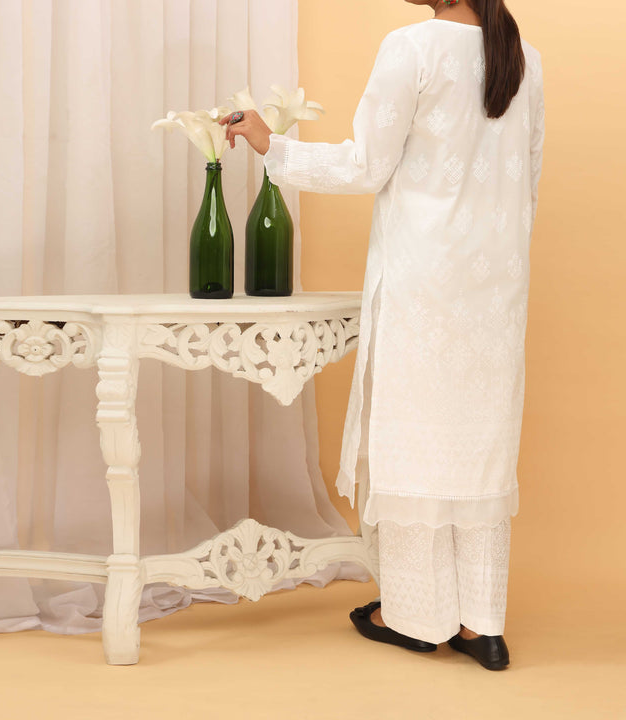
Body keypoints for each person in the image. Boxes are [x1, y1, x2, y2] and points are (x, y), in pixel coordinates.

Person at [221, 0, 544, 671]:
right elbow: (527, 182)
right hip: (496, 288)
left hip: (423, 284)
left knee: (414, 442)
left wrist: (271, 144)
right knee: (478, 447)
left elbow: (366, 166)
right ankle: (482, 624)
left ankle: (418, 618)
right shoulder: (524, 59)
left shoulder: (412, 47)